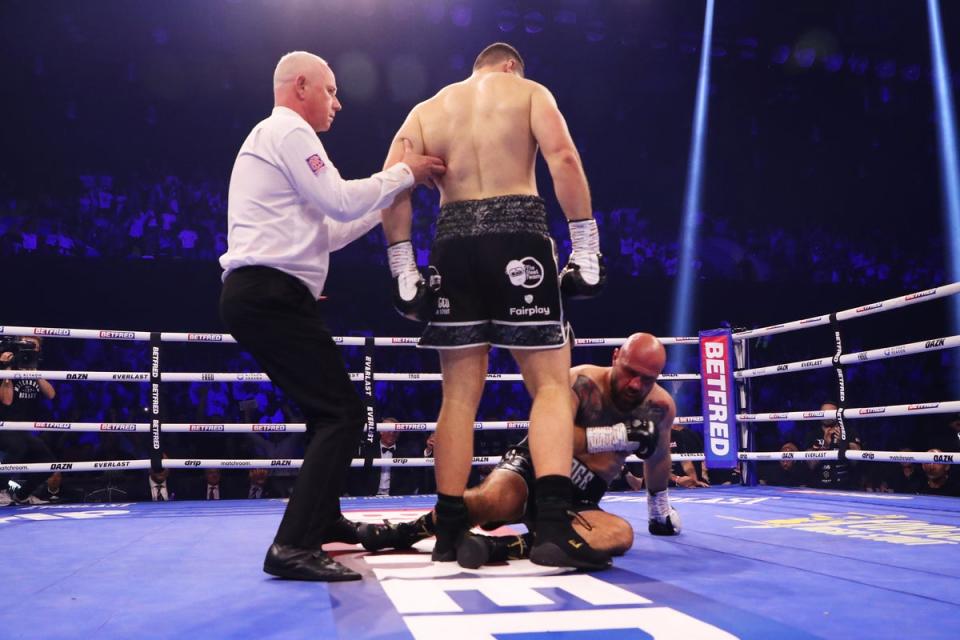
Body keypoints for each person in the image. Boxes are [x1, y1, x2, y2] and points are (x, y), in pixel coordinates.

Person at [379, 42, 608, 570]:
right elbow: (564, 158)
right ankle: (551, 526)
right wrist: (587, 248)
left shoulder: (426, 110)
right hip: (519, 235)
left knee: (458, 396)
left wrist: (402, 267)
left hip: (452, 241)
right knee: (551, 385)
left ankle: (449, 530)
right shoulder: (528, 91)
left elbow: (394, 187)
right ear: (509, 65)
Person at [218, 51, 445, 582]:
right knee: (340, 413)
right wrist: (400, 174)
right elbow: (341, 201)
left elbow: (330, 230)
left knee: (331, 412)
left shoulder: (276, 140)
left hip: (269, 293)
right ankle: (292, 545)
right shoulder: (290, 133)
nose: (338, 103)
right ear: (302, 86)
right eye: (331, 90)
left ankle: (322, 520)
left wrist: (393, 196)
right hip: (270, 293)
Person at [357, 333, 679, 569]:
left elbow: (659, 458)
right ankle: (404, 533)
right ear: (615, 358)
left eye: (647, 379)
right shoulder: (580, 382)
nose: (635, 384)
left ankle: (495, 547)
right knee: (493, 500)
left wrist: (658, 512)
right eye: (630, 372)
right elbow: (558, 435)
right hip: (533, 469)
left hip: (581, 496)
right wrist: (619, 436)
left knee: (620, 534)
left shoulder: (660, 408)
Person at [0, 336, 58, 504]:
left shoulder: (37, 365)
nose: (27, 348)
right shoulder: (7, 363)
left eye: (32, 345)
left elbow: (51, 394)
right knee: (19, 445)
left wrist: (35, 373)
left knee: (49, 462)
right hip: (4, 427)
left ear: (38, 349)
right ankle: (1, 489)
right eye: (24, 343)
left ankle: (22, 495)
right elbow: (7, 400)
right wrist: (6, 368)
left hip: (23, 430)